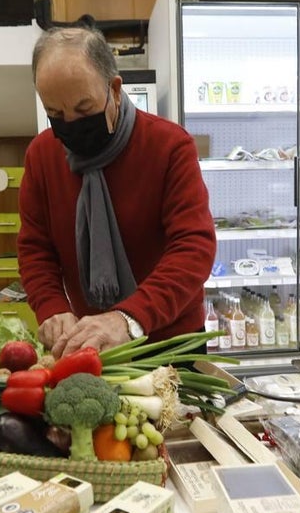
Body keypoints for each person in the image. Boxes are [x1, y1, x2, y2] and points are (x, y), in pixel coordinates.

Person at [17, 26, 215, 358]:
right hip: (89, 340)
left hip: (171, 338)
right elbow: (36, 249)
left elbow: (193, 247)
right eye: (56, 114)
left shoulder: (168, 145)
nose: (71, 124)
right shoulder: (41, 156)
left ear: (115, 90)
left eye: (84, 109)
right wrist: (51, 308)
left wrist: (129, 318)